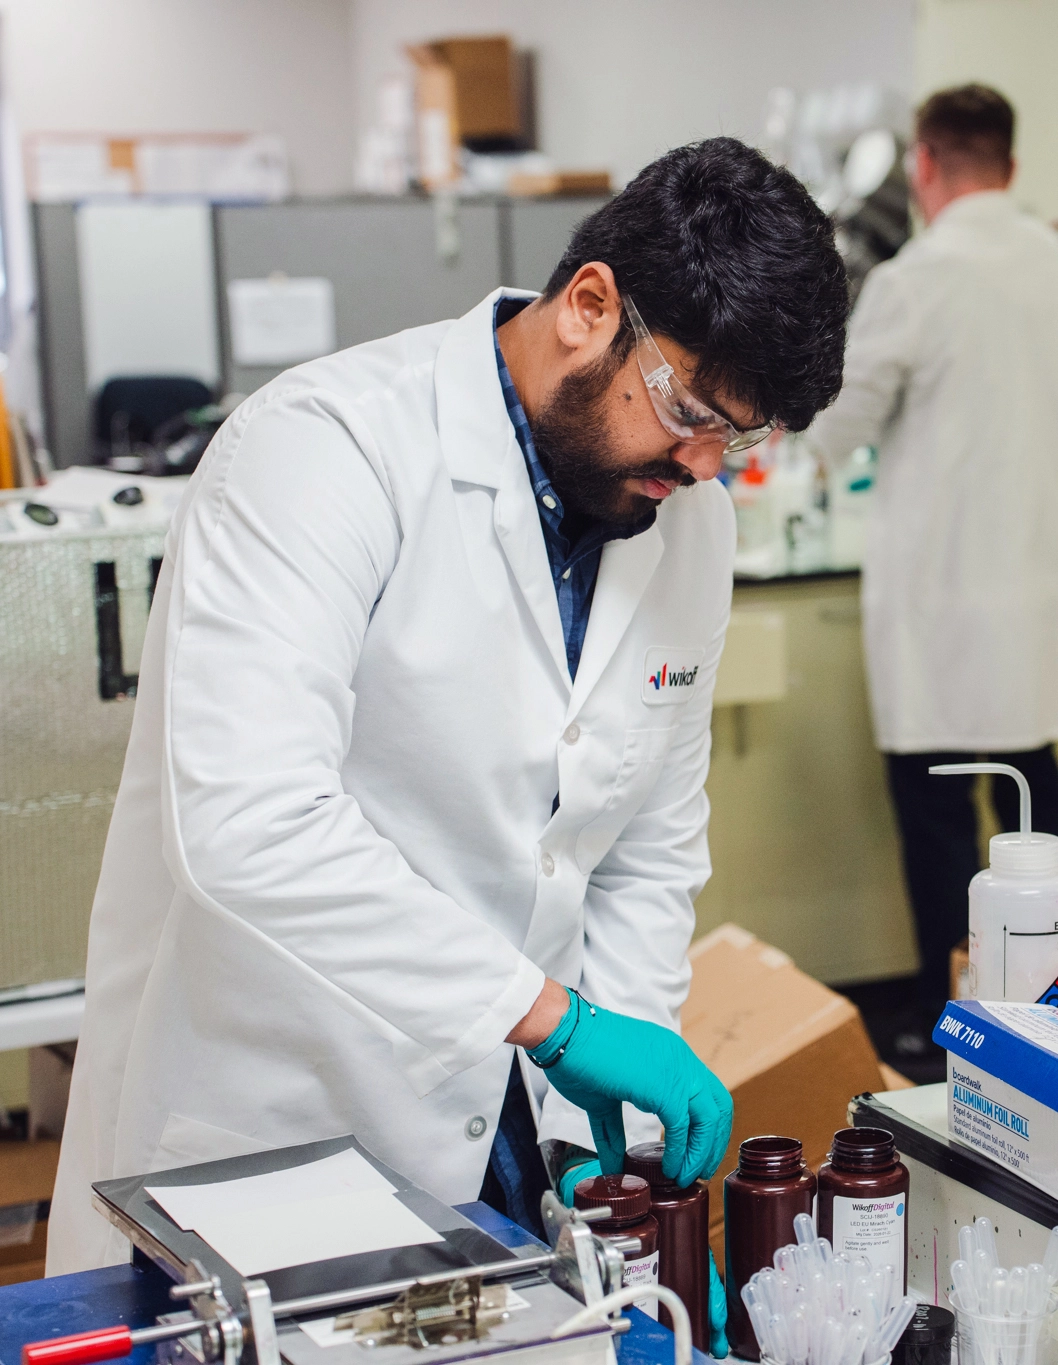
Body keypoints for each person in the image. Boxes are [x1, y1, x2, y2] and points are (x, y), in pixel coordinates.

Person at [48, 139, 848, 1340]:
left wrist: (600, 1150)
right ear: (589, 308)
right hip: (271, 1131)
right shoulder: (323, 448)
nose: (700, 467)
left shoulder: (688, 533)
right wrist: (559, 1023)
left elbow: (641, 850)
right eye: (688, 412)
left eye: (731, 440)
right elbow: (251, 829)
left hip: (498, 1150)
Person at [809, 86, 1058, 1045]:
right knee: (1037, 809)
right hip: (1035, 600)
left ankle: (948, 1023)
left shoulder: (916, 278)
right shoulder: (1050, 262)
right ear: (1011, 164)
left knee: (944, 827)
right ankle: (1046, 1015)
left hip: (943, 609)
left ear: (922, 165)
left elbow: (833, 430)